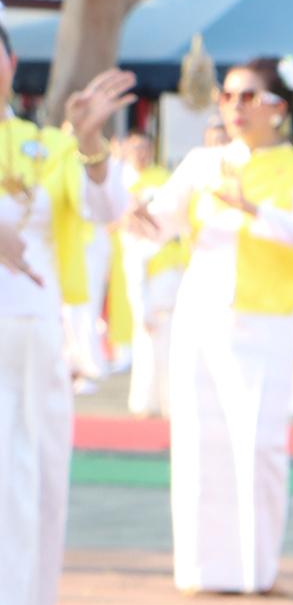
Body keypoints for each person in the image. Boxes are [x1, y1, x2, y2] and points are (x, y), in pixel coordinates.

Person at [143, 55, 293, 594]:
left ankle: (255, 570)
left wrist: (256, 212)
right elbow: (155, 226)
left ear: (278, 107)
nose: (234, 107)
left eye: (248, 96)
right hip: (199, 317)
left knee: (257, 446)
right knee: (198, 440)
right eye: (228, 97)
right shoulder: (202, 165)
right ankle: (204, 570)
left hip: (264, 324)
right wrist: (109, 188)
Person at [0, 21, 135, 605]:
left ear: (11, 63)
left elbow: (106, 204)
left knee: (30, 493)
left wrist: (88, 142)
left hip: (27, 337)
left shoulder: (47, 147)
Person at [114, 130, 183, 418]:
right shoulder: (121, 180)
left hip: (166, 259)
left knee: (169, 337)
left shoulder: (164, 177)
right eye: (135, 148)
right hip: (135, 254)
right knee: (144, 330)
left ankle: (168, 401)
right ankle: (144, 400)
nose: (140, 153)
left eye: (144, 148)